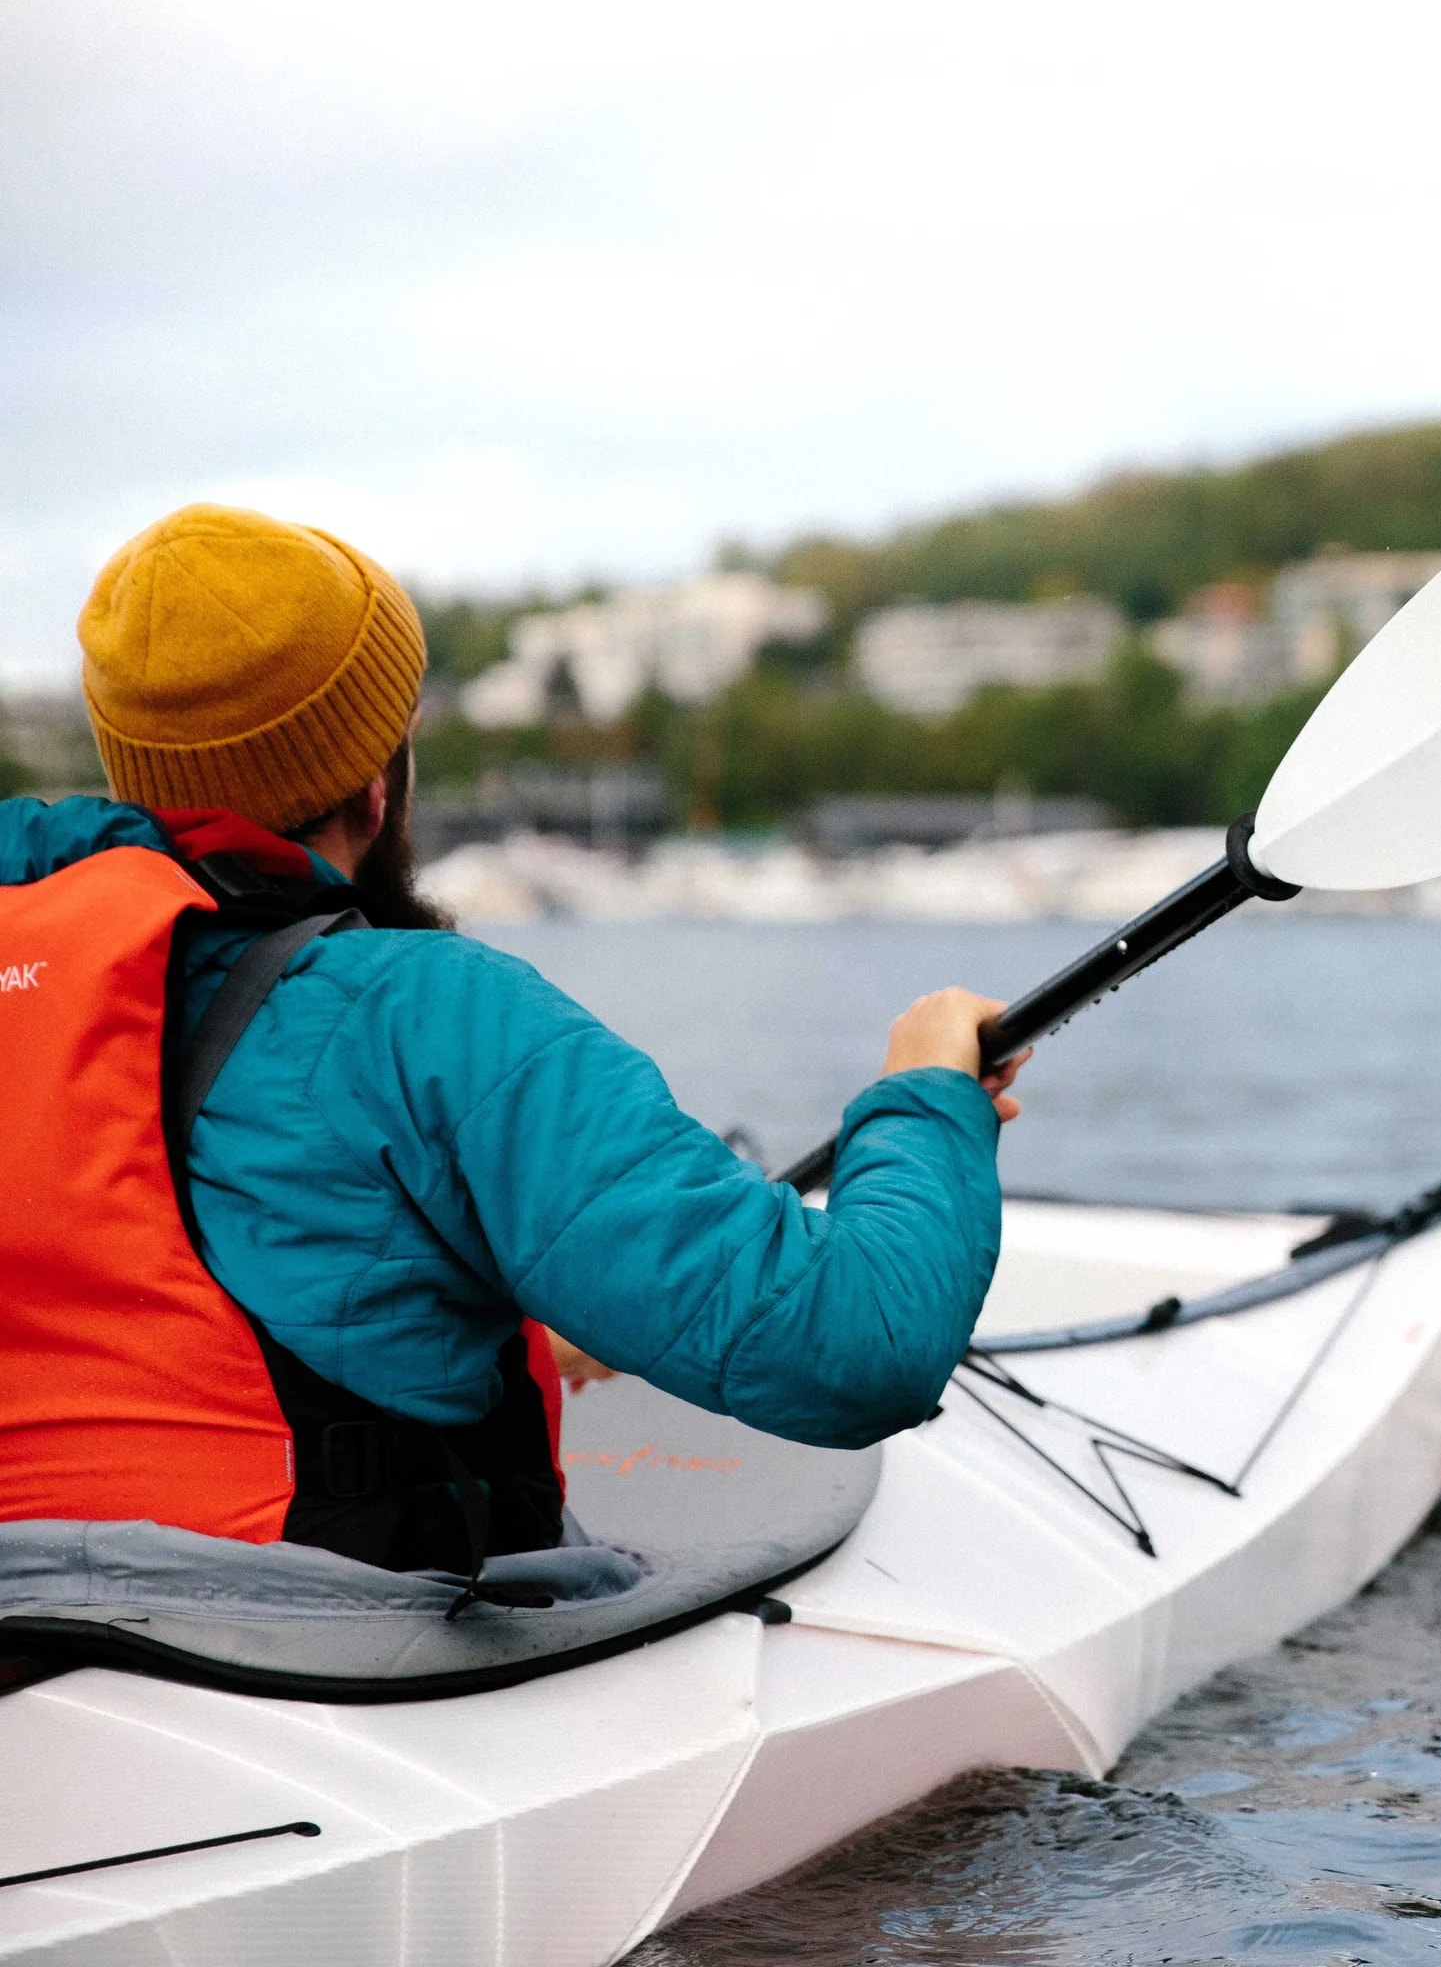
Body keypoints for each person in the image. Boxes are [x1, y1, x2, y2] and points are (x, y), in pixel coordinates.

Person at [0, 504, 1026, 1575]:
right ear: (378, 772)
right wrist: (925, 1096)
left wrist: (523, 1308)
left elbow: (172, 1325)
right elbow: (853, 1347)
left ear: (134, 771)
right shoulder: (425, 1015)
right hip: (322, 1668)